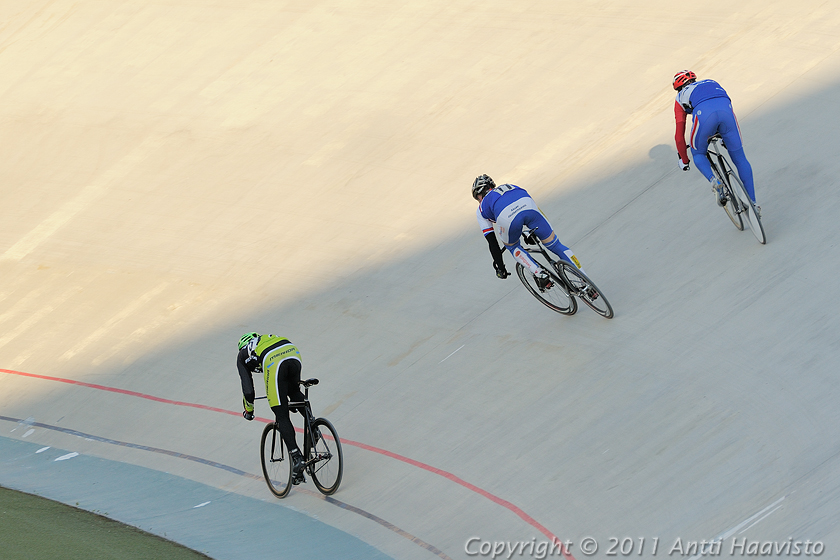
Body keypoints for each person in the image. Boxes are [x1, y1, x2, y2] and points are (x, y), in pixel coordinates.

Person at [472, 174, 585, 289]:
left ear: (480, 195)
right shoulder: (510, 186)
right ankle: (585, 280)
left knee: (512, 246)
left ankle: (539, 273)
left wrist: (501, 267)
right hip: (527, 204)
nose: (478, 201)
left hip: (507, 217)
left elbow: (492, 242)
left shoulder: (481, 209)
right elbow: (523, 211)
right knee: (555, 244)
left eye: (477, 198)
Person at [672, 70, 759, 216]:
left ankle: (714, 181)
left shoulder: (680, 97)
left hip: (704, 117)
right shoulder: (711, 82)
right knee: (740, 158)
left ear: (678, 87)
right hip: (727, 113)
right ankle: (754, 204)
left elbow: (679, 136)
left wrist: (684, 160)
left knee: (698, 153)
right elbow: (723, 103)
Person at [237, 332, 308, 484]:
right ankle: (313, 428)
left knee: (280, 413)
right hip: (292, 351)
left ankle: (297, 459)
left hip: (273, 360)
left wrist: (249, 410)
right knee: (294, 391)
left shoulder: (242, 355)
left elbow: (248, 391)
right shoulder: (264, 340)